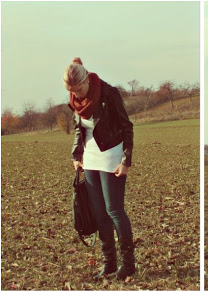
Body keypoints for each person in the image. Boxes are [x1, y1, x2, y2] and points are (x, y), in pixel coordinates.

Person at [65, 57, 136, 280]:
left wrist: (126, 161)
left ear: (87, 80)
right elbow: (80, 129)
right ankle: (109, 264)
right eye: (72, 91)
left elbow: (127, 127)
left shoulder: (109, 94)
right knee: (99, 213)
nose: (76, 95)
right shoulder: (76, 101)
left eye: (79, 89)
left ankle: (128, 265)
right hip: (90, 159)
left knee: (114, 210)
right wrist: (77, 155)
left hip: (112, 156)